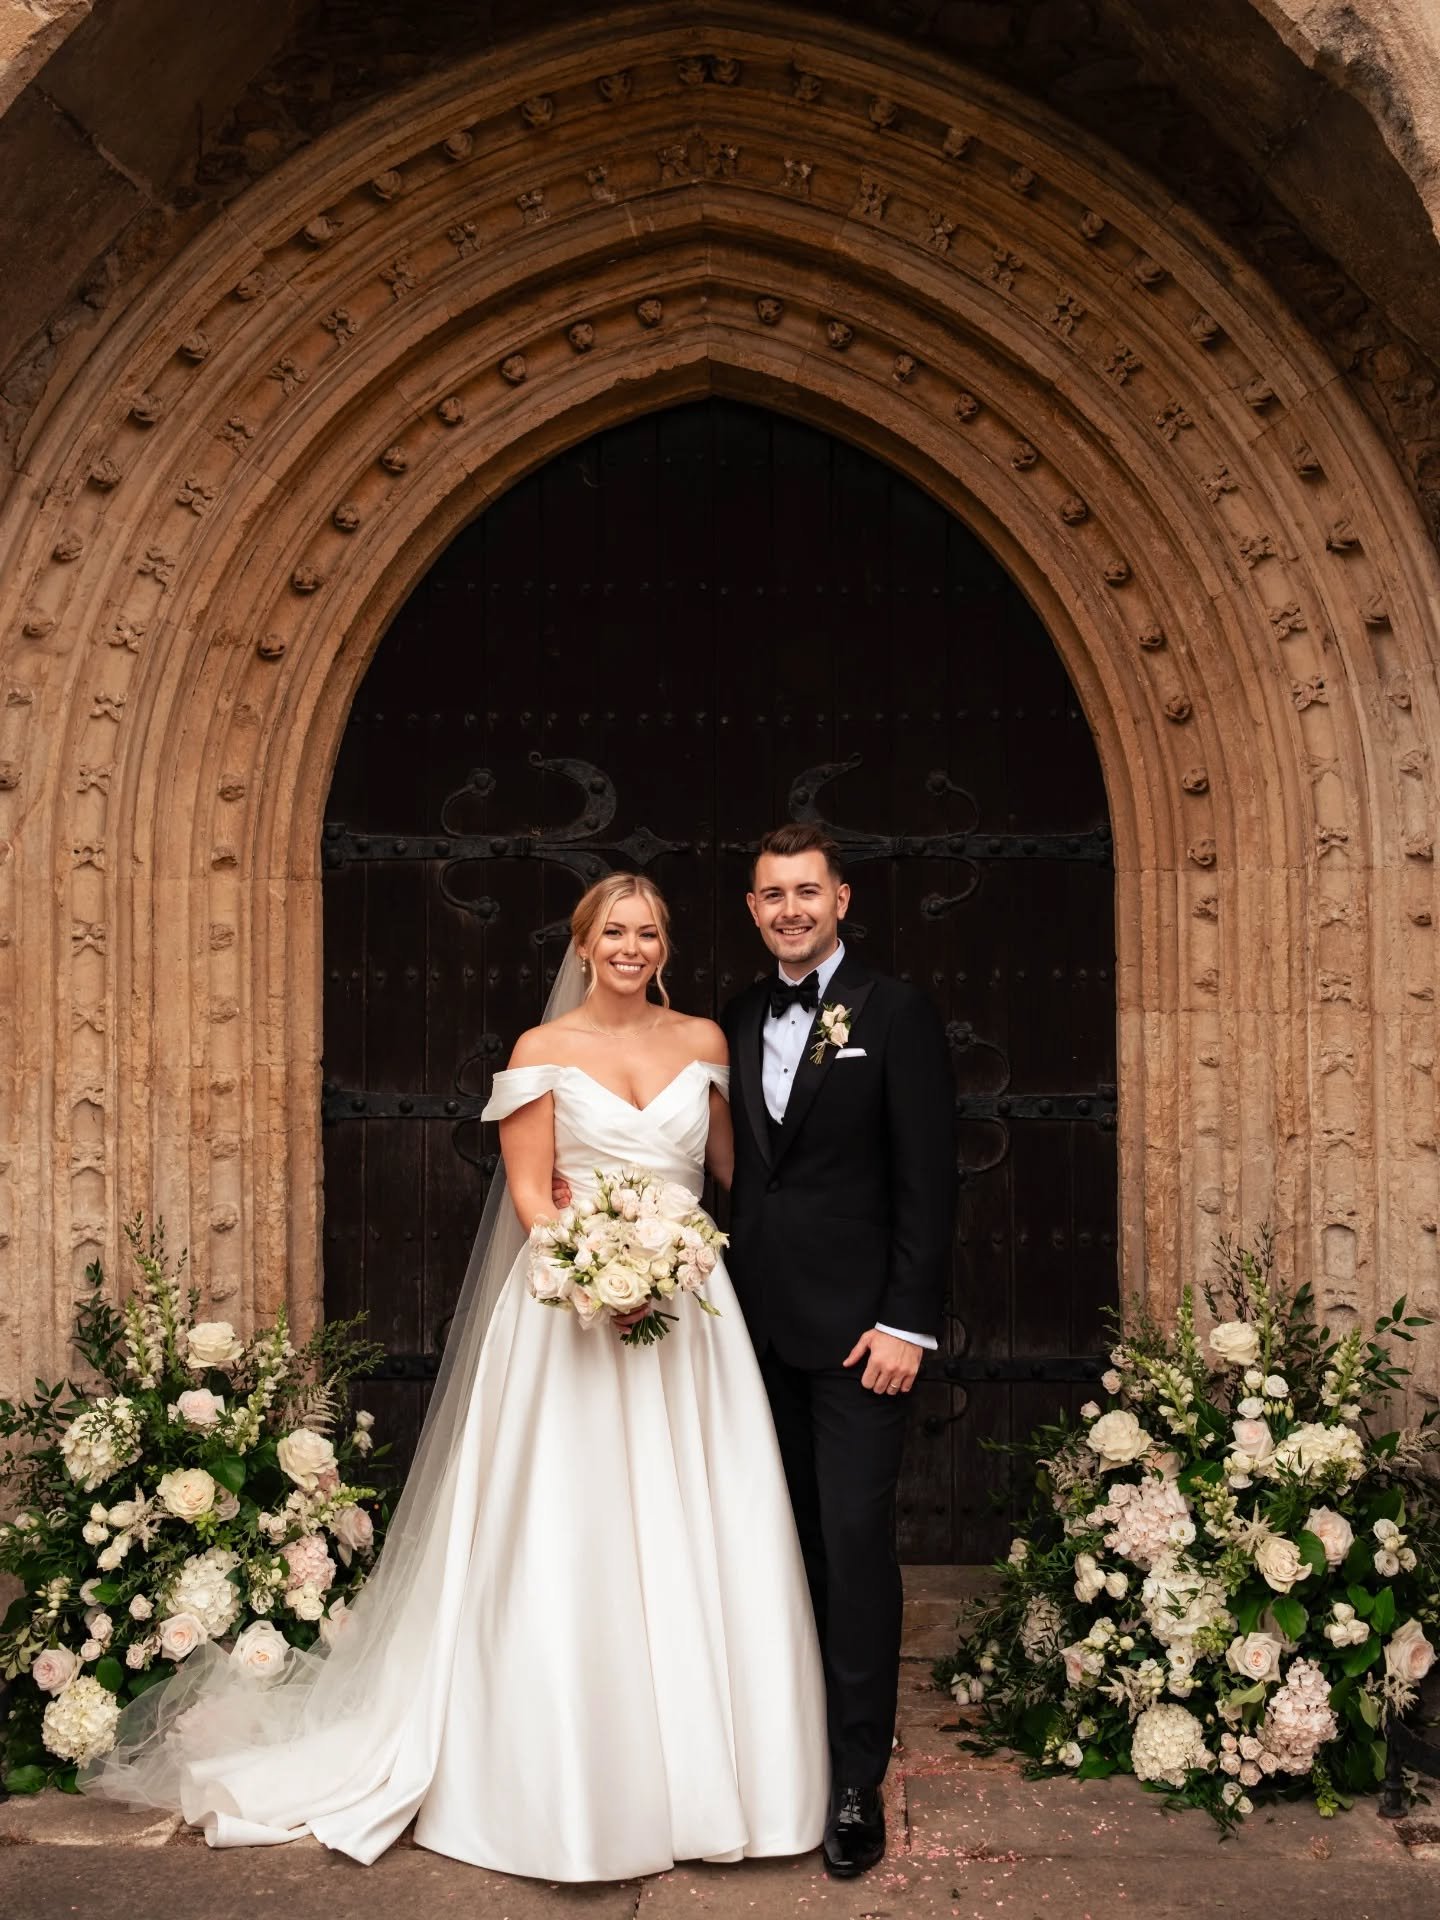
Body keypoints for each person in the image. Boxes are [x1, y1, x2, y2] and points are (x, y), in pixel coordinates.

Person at [81, 873, 828, 1881]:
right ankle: (562, 1785)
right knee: (571, 1531)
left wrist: (680, 1261)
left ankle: (719, 1779)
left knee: (708, 1523)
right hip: (572, 1315)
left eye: (648, 932)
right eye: (614, 930)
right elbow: (530, 1194)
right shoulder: (542, 1053)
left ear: (667, 946)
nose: (631, 947)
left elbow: (729, 1174)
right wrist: (602, 1274)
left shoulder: (702, 1043)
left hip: (691, 1319)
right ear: (582, 941)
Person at [721, 823, 956, 1879]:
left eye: (807, 892)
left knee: (856, 1550)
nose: (790, 910)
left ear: (843, 899)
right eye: (773, 895)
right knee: (779, 1548)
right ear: (753, 907)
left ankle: (856, 1780)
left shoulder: (897, 1013)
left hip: (865, 1342)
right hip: (749, 1338)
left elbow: (929, 1181)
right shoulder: (729, 1015)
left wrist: (907, 1322)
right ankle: (782, 1755)